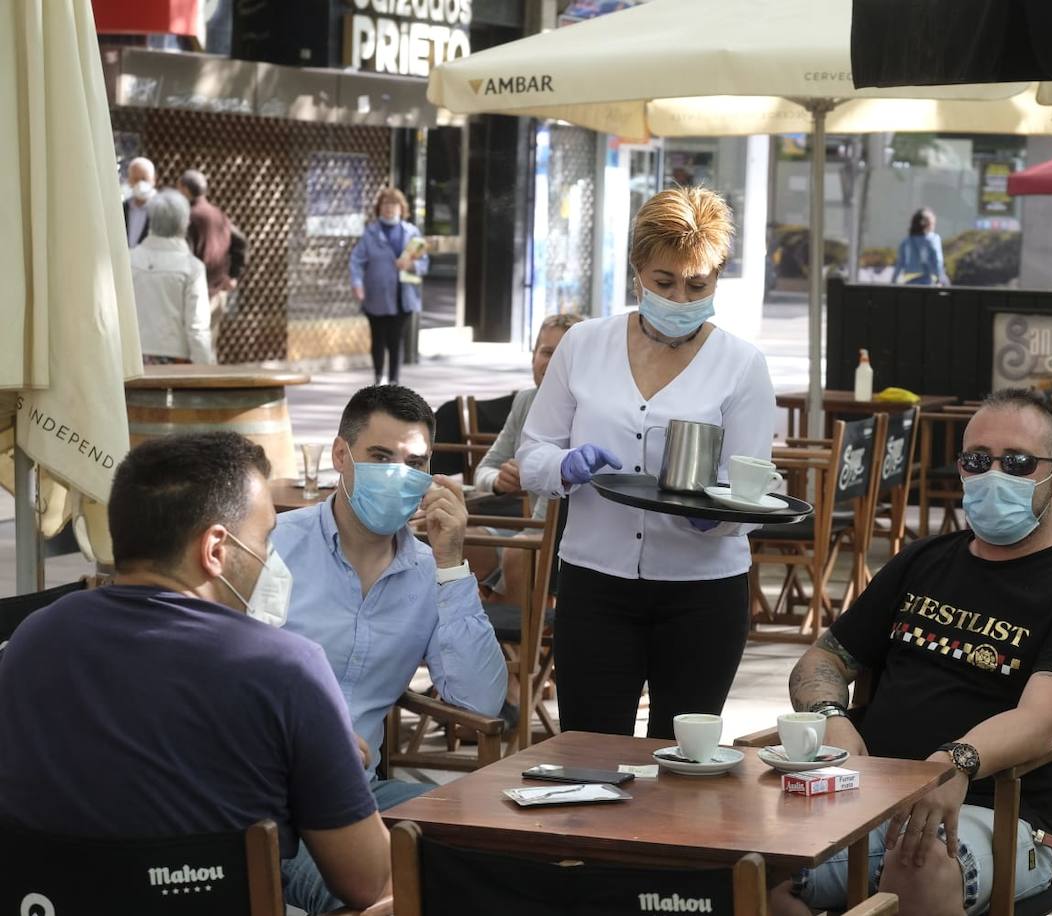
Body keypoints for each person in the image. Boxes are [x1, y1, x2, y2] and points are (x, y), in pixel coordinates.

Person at [771, 389, 1052, 916]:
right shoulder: (920, 562)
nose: (995, 475)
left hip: (997, 812)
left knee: (918, 857)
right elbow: (821, 660)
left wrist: (954, 763)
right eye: (978, 460)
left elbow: (1039, 721)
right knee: (753, 860)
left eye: (1018, 462)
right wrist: (830, 717)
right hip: (870, 795)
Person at [0, 433, 390, 912]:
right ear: (215, 549)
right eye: (265, 538)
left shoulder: (31, 640)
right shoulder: (286, 667)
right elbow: (369, 881)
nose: (270, 557)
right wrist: (319, 763)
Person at [517, 186, 776, 738]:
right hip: (596, 581)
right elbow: (532, 450)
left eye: (697, 285)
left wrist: (720, 512)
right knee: (589, 750)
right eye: (665, 282)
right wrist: (565, 465)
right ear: (638, 270)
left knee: (681, 759)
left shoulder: (741, 365)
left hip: (704, 591)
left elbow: (754, 488)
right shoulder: (583, 345)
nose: (680, 297)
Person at [273, 384, 506, 914]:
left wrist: (451, 562)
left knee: (500, 853)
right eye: (381, 457)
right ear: (341, 455)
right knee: (388, 896)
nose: (398, 473)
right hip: (275, 801)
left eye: (414, 462)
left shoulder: (429, 571)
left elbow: (481, 702)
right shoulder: (274, 545)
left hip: (364, 795)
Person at [469, 312, 584, 604]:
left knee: (519, 552)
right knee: (461, 539)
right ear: (533, 356)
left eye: (564, 354)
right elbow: (485, 470)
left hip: (574, 545)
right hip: (529, 534)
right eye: (546, 352)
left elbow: (553, 510)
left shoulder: (591, 411)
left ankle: (515, 643)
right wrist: (498, 480)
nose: (552, 362)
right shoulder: (526, 401)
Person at [350, 187, 429, 386]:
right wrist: (357, 284)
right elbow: (356, 260)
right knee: (378, 339)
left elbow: (424, 263)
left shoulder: (411, 232)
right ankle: (378, 378)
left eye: (394, 204)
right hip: (376, 294)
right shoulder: (371, 233)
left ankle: (394, 381)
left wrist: (411, 265)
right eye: (385, 204)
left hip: (403, 295)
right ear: (379, 208)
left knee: (395, 340)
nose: (389, 209)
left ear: (402, 208)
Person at [130, 189, 214, 365]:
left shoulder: (128, 259)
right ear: (184, 223)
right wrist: (206, 369)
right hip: (175, 362)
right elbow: (197, 328)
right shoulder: (192, 268)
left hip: (131, 359)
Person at [178, 169, 248, 354]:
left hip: (196, 294)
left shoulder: (189, 216)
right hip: (218, 292)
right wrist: (233, 275)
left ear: (184, 188)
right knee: (210, 347)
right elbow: (240, 243)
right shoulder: (219, 215)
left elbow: (187, 256)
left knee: (193, 351)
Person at [893, 207, 948, 286]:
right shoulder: (933, 239)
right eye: (933, 223)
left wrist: (893, 280)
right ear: (927, 224)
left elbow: (900, 264)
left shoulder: (906, 242)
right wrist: (939, 280)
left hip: (909, 283)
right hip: (928, 282)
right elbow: (938, 261)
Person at [122, 156, 156, 248]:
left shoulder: (161, 212)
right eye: (136, 179)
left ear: (153, 180)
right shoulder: (121, 209)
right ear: (129, 181)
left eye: (144, 179)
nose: (140, 184)